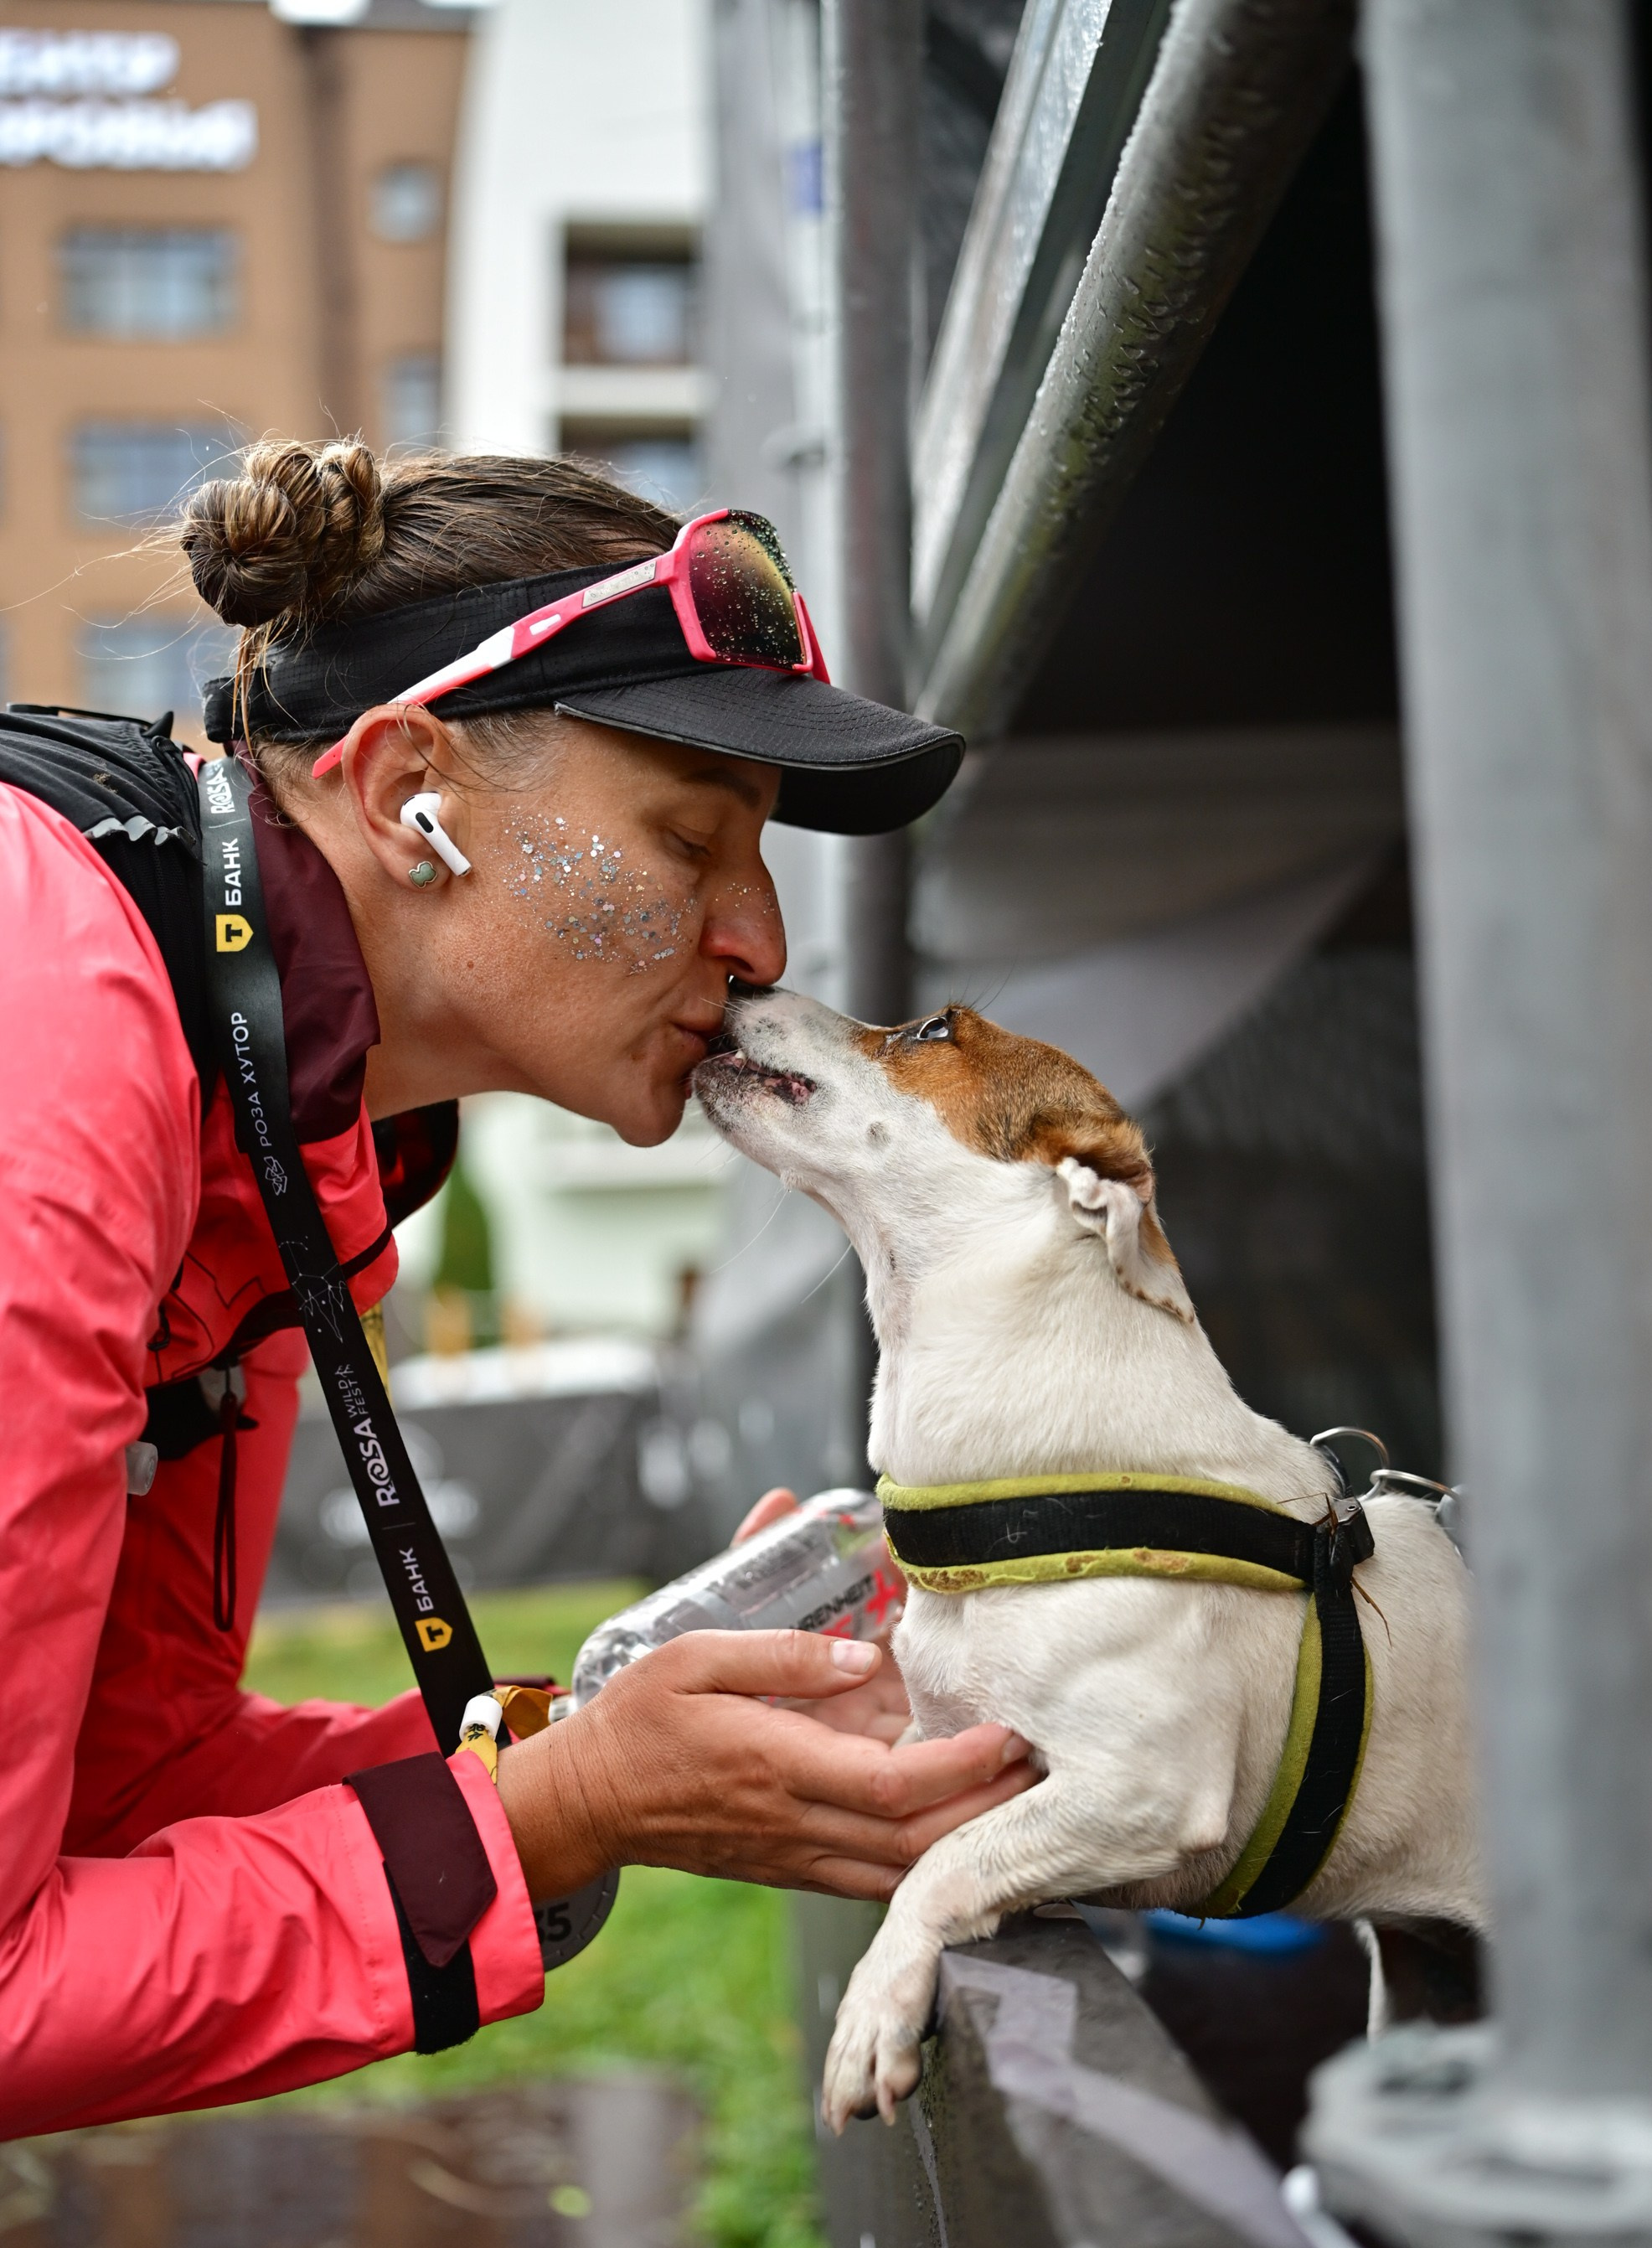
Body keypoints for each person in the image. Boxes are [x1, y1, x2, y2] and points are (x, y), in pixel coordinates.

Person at [0, 441, 1035, 2138]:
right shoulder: (50, 1054)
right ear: (409, 788)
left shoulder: (285, 1131)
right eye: (689, 836)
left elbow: (123, 1794)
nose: (761, 942)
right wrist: (565, 1809)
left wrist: (610, 1736)